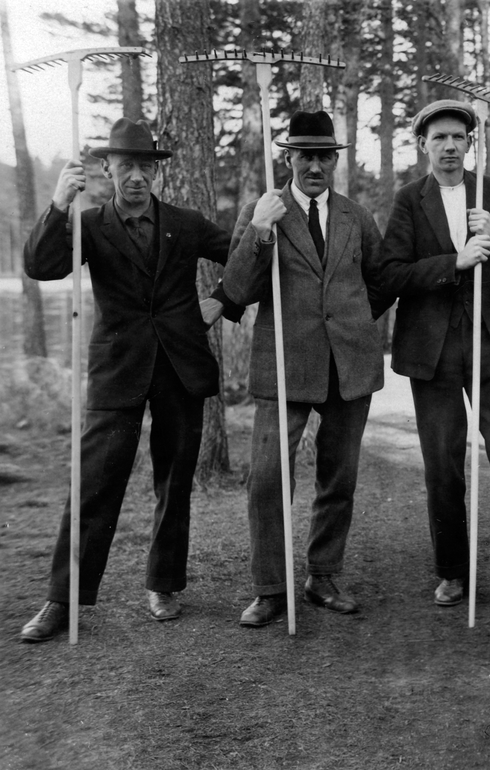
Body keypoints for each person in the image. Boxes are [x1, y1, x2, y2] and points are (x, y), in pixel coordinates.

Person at [20, 118, 240, 642]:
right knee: (93, 482)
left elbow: (249, 255)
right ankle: (63, 599)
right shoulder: (89, 225)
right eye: (125, 166)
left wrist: (222, 300)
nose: (136, 176)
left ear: (155, 172)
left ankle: (164, 585)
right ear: (107, 170)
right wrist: (58, 204)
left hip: (180, 368)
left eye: (144, 166)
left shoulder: (186, 223)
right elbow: (40, 266)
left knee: (175, 481)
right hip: (118, 369)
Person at [376, 99, 490, 611]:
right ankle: (453, 573)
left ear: (469, 143)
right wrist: (452, 263)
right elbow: (390, 275)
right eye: (439, 138)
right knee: (443, 463)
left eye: (458, 137)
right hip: (431, 350)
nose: (450, 146)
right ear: (423, 145)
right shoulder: (409, 200)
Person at [220, 110, 389, 627]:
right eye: (305, 156)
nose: (314, 166)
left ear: (334, 161)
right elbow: (237, 291)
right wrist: (260, 231)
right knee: (269, 478)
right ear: (288, 158)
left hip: (348, 365)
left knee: (339, 477)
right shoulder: (263, 211)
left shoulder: (356, 216)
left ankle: (323, 575)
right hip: (285, 364)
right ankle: (271, 589)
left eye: (324, 157)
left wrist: (350, 320)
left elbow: (381, 282)